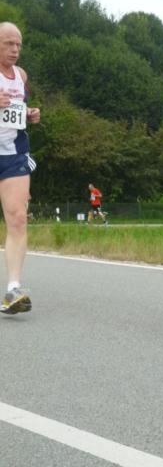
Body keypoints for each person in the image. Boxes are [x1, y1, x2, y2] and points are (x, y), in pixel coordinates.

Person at [0, 22, 40, 315]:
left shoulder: (21, 75)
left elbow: (18, 110)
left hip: (13, 154)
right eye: (8, 44)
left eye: (18, 45)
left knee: (17, 217)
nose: (15, 50)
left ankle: (13, 289)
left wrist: (30, 113)